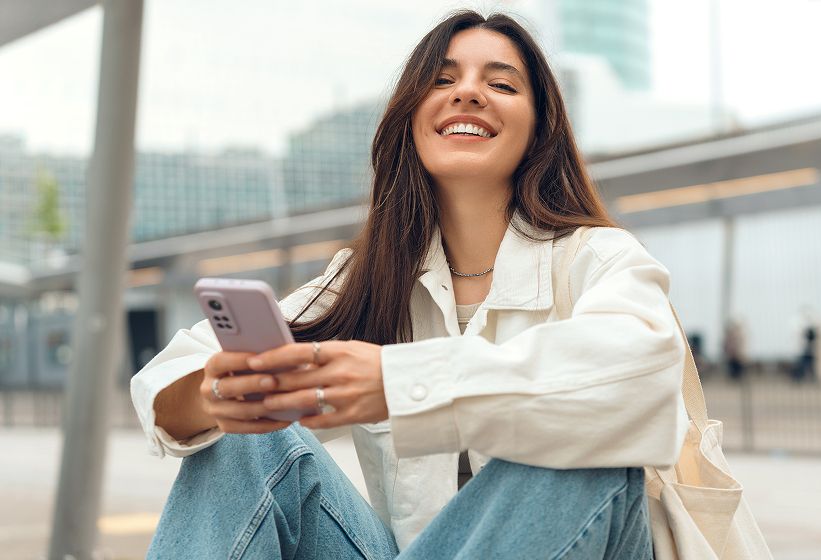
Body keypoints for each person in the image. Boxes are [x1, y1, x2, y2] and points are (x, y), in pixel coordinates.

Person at [131, 11, 688, 558]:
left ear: (541, 127)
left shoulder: (597, 258)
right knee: (242, 441)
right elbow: (168, 376)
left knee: (583, 443)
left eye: (500, 83)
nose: (468, 94)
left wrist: (398, 383)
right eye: (442, 81)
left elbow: (646, 382)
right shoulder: (373, 279)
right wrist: (215, 396)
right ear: (410, 118)